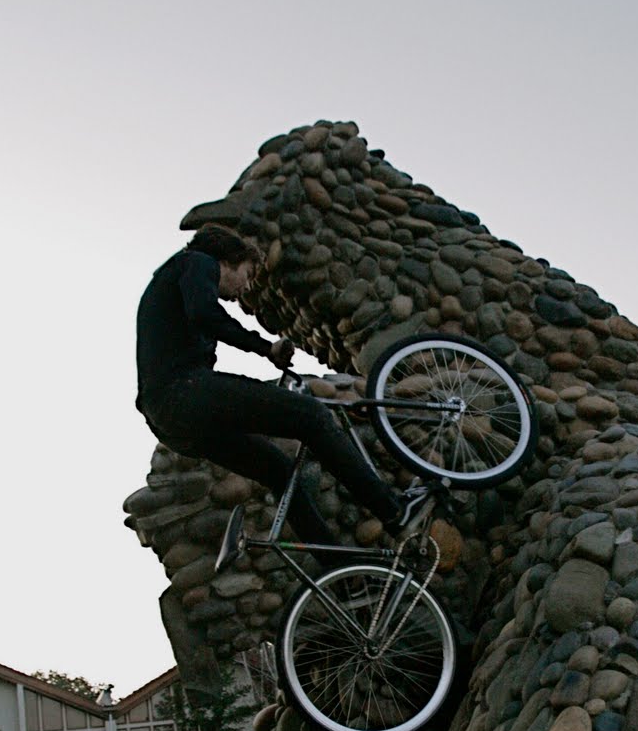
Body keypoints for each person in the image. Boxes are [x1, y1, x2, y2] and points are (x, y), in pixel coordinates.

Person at [135, 225, 425, 546]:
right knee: (311, 415)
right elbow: (206, 314)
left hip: (169, 421)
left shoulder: (174, 288)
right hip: (182, 392)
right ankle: (394, 512)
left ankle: (336, 566)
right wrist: (266, 348)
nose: (246, 287)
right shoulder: (198, 261)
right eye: (247, 274)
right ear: (228, 260)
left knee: (278, 470)